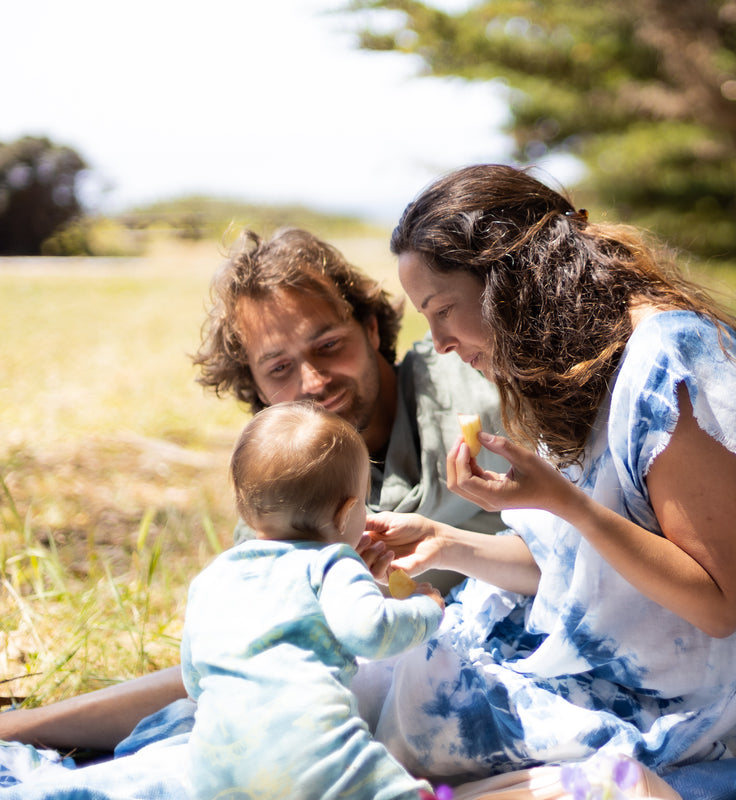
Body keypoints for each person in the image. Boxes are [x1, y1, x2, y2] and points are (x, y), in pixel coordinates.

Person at [346, 163, 736, 794]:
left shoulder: (677, 358)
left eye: (444, 309)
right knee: (345, 680)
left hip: (687, 702)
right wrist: (446, 544)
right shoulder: (582, 360)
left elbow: (719, 603)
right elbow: (572, 568)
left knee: (373, 711)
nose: (440, 343)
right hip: (613, 668)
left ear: (508, 279)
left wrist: (565, 503)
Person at [0, 227, 506, 757]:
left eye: (329, 346)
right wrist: (25, 727)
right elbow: (238, 669)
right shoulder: (284, 503)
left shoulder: (469, 379)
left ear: (372, 328)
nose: (313, 382)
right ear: (256, 387)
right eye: (279, 368)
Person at [182, 401, 444, 800]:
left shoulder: (212, 578)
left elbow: (193, 682)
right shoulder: (331, 564)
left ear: (243, 506)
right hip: (315, 761)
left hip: (214, 773)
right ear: (347, 513)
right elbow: (371, 632)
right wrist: (426, 609)